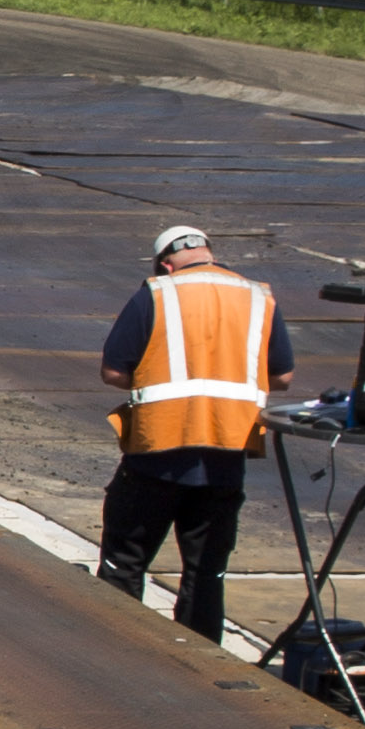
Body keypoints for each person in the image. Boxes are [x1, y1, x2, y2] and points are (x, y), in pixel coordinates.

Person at [97, 225, 287, 646]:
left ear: (165, 263)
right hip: (226, 453)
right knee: (206, 574)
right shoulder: (258, 296)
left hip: (157, 451)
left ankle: (114, 654)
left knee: (124, 563)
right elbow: (283, 374)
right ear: (209, 253)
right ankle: (201, 664)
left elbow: (114, 370)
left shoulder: (157, 292)